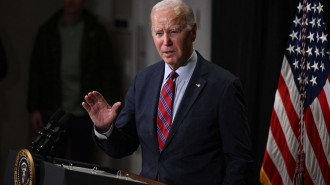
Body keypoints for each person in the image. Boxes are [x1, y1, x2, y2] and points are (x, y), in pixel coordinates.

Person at [82, 0, 253, 184]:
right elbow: (122, 146)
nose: (166, 41)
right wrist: (106, 128)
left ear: (193, 31)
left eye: (174, 31)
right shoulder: (143, 81)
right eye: (158, 33)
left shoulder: (223, 86)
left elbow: (240, 160)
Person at [27, 0, 121, 162]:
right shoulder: (48, 29)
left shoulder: (95, 30)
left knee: (82, 162)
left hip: (85, 110)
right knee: (52, 161)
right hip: (54, 110)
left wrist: (111, 108)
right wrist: (34, 107)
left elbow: (108, 71)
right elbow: (37, 70)